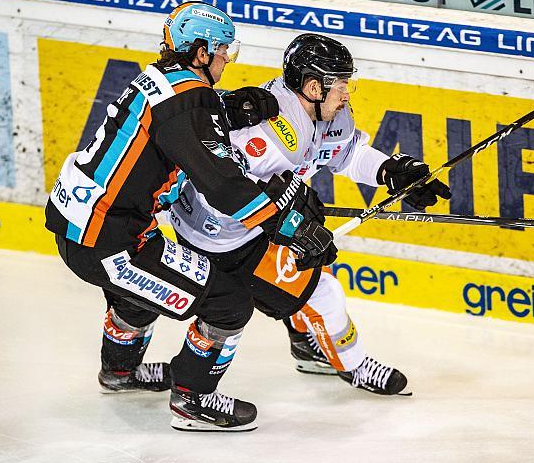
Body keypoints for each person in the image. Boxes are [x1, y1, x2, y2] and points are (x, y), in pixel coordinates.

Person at [44, 4, 335, 432]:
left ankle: (120, 373)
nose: (226, 61)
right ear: (201, 53)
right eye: (224, 52)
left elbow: (177, 121)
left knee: (142, 289)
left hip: (81, 226)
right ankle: (192, 401)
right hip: (111, 242)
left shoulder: (159, 79)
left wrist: (225, 108)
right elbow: (221, 185)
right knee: (228, 302)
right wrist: (290, 226)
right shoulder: (187, 99)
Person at [169, 33, 451, 396]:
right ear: (314, 86)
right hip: (222, 237)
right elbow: (222, 189)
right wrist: (288, 214)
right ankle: (354, 365)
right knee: (325, 291)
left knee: (312, 257)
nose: (347, 94)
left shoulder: (325, 111)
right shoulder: (273, 130)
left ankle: (307, 345)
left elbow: (346, 154)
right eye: (340, 86)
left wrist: (391, 171)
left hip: (249, 226)